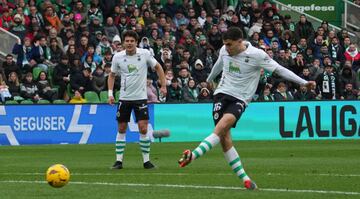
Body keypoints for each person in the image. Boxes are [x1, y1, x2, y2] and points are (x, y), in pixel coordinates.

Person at [178, 27, 315, 190]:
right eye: (225, 45)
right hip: (221, 94)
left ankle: (193, 155)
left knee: (223, 126)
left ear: (239, 42)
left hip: (240, 98)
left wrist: (303, 82)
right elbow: (218, 64)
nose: (226, 48)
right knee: (224, 138)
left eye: (229, 45)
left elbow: (279, 69)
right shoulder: (224, 50)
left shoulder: (257, 55)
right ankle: (245, 179)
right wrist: (208, 79)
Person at [107, 30, 167, 170]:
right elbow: (111, 75)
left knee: (143, 128)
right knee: (121, 128)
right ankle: (118, 161)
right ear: (123, 42)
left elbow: (158, 67)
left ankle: (146, 161)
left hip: (140, 98)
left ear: (136, 42)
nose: (129, 43)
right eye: (127, 41)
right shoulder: (118, 57)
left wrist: (163, 85)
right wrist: (110, 94)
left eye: (132, 41)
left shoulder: (145, 54)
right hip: (124, 98)